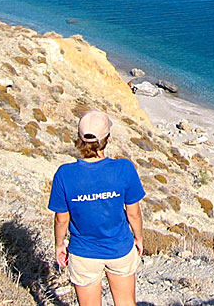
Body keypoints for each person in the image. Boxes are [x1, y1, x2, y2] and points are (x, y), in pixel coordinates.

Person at [49, 109, 145, 306]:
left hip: (83, 252)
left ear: (79, 139)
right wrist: (139, 238)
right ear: (107, 138)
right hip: (119, 248)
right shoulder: (124, 168)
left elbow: (61, 219)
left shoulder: (64, 174)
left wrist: (59, 245)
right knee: (126, 302)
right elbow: (133, 213)